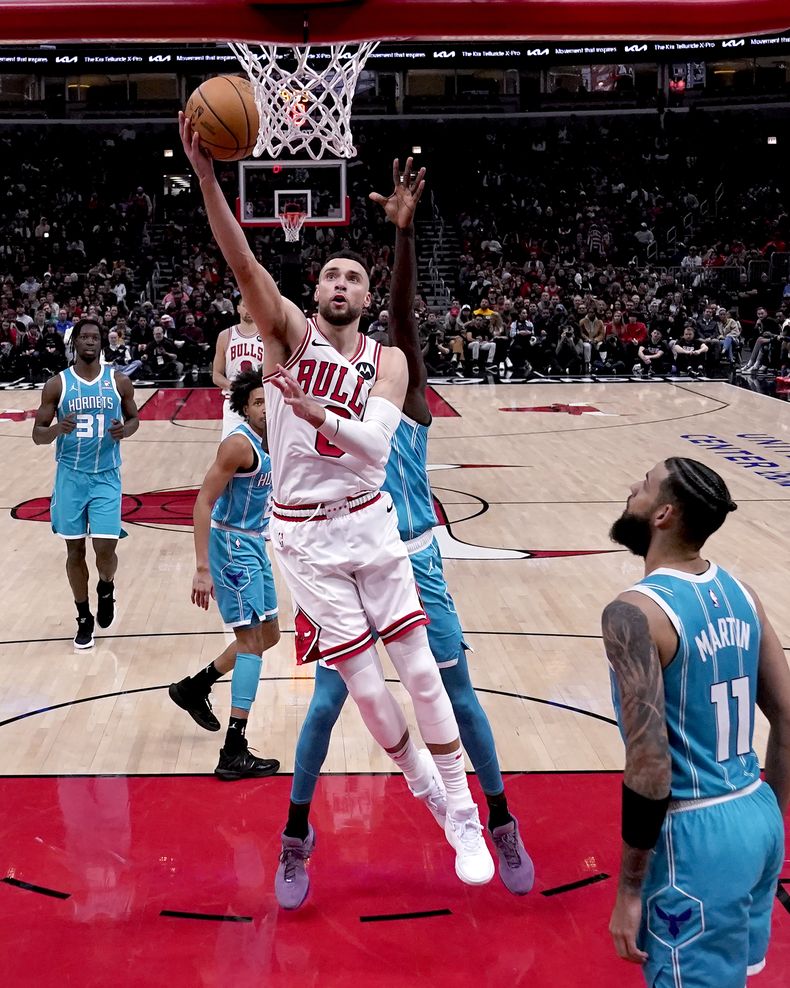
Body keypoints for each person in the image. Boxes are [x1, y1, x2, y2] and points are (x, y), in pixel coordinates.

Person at [180, 116, 493, 890]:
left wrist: (316, 413)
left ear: (364, 293)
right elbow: (243, 260)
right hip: (305, 543)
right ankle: (427, 787)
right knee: (369, 697)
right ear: (314, 292)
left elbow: (377, 450)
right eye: (332, 276)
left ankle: (463, 811)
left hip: (370, 525)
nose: (344, 285)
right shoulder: (286, 336)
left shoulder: (386, 362)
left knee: (421, 676)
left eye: (356, 277)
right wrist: (210, 176)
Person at [274, 162, 534, 909]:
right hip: (333, 555)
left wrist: (404, 233)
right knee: (327, 704)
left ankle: (499, 819)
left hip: (410, 558)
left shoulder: (402, 383)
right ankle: (296, 835)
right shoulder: (327, 371)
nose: (354, 299)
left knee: (456, 693)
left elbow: (402, 313)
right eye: (335, 281)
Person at [603, 457, 790, 987]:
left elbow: (649, 765)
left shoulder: (633, 612)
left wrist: (630, 888)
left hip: (694, 834)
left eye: (644, 484)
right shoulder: (743, 593)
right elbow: (788, 714)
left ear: (663, 515)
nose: (632, 487)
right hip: (756, 814)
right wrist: (763, 821)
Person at [169, 369, 280, 781]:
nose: (266, 408)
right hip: (231, 545)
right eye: (257, 403)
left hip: (255, 541)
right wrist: (202, 568)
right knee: (250, 642)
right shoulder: (238, 445)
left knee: (269, 636)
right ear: (244, 409)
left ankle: (195, 687)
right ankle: (234, 750)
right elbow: (202, 502)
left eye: (270, 400)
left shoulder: (284, 438)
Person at [32, 319, 140, 648]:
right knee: (74, 549)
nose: (90, 342)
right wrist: (56, 431)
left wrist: (127, 430)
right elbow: (38, 434)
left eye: (95, 337)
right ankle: (83, 617)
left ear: (101, 343)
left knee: (105, 550)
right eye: (84, 337)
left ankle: (106, 588)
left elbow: (134, 417)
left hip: (107, 475)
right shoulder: (57, 385)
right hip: (71, 477)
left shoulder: (119, 382)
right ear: (75, 343)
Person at [213, 298, 265, 440]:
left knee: (266, 451)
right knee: (230, 449)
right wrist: (236, 386)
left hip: (261, 401)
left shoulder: (267, 335)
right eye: (245, 305)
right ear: (238, 308)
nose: (249, 309)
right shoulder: (225, 336)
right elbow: (216, 376)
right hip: (234, 401)